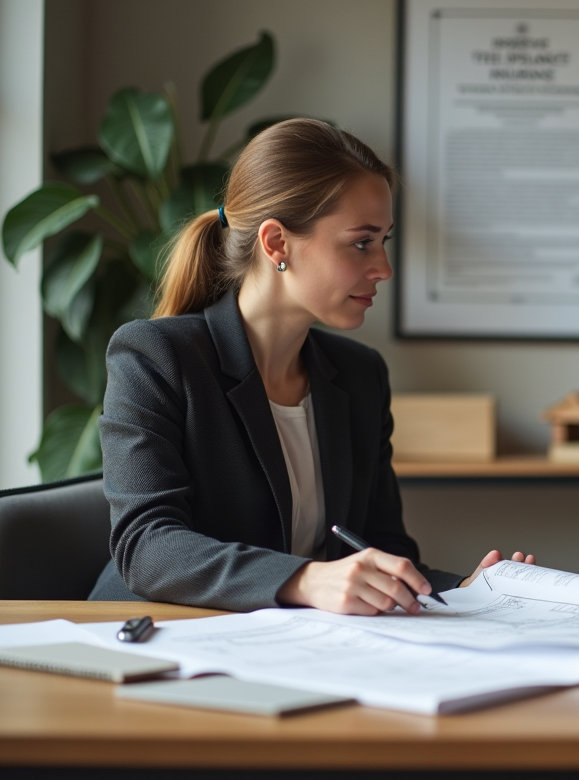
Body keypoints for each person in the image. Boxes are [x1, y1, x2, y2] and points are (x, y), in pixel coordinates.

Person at [90, 118, 532, 614]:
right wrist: (304, 579)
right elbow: (147, 548)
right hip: (159, 640)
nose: (383, 268)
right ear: (277, 243)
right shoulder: (155, 357)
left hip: (296, 649)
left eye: (384, 240)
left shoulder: (361, 375)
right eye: (361, 242)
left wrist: (466, 590)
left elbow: (379, 555)